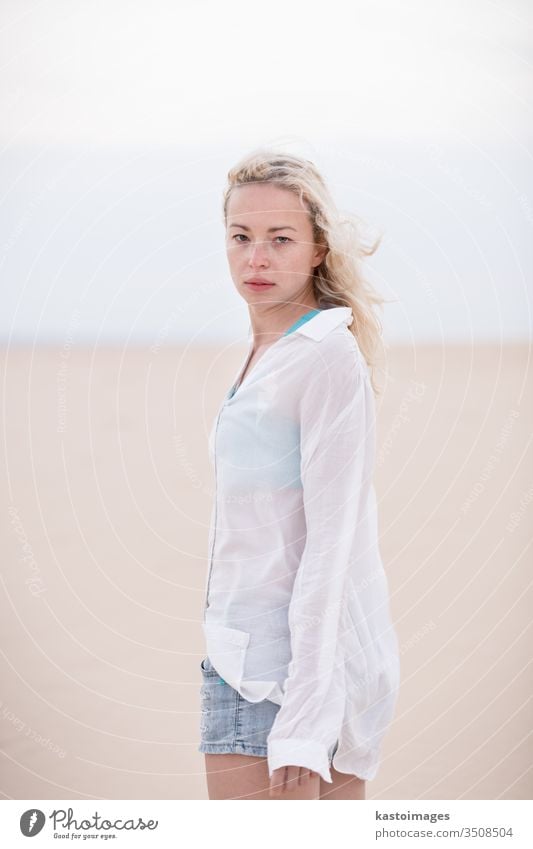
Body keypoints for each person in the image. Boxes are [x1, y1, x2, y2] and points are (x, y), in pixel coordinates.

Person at [198, 148, 401, 800]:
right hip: (244, 654)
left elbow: (329, 548)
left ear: (317, 248)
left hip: (279, 678)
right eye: (240, 237)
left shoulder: (323, 356)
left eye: (279, 238)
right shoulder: (271, 352)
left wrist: (306, 718)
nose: (255, 257)